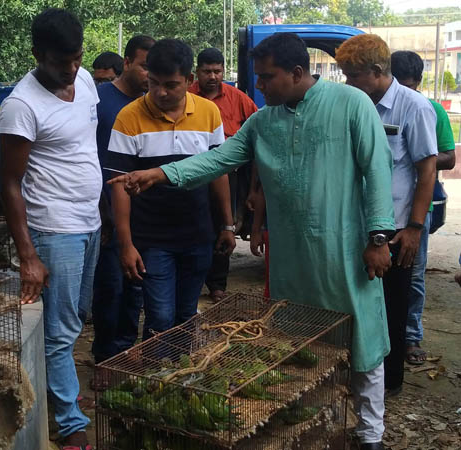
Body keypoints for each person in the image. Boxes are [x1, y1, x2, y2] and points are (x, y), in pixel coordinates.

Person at [109, 33, 395, 450]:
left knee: (362, 339)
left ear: (297, 73)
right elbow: (218, 159)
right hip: (291, 257)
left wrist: (379, 236)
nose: (258, 86)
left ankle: (370, 433)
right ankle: (311, 417)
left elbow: (378, 170)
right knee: (297, 342)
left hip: (345, 251)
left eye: (266, 77)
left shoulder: (351, 104)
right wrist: (162, 174)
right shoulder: (263, 121)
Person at [0, 9, 100, 450]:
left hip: (90, 223)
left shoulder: (87, 82)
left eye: (77, 58)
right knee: (58, 332)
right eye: (62, 61)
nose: (71, 69)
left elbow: (82, 149)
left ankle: (60, 399)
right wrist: (28, 255)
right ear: (37, 54)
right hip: (53, 229)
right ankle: (71, 426)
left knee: (75, 319)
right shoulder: (21, 105)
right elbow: (9, 183)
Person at [106, 38, 235, 342]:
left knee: (187, 312)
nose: (161, 92)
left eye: (171, 85)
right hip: (152, 239)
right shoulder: (129, 117)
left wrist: (227, 224)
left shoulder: (208, 113)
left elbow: (218, 172)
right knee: (160, 315)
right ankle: (158, 376)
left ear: (189, 81)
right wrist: (125, 244)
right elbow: (120, 186)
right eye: (153, 83)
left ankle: (180, 377)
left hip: (198, 234)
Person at [336, 35, 437, 398]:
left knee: (392, 307)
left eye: (353, 75)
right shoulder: (351, 105)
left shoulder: (414, 108)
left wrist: (414, 228)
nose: (348, 82)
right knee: (354, 301)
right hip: (355, 224)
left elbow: (426, 172)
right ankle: (354, 375)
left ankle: (389, 383)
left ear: (377, 72)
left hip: (396, 228)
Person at [91, 35, 155, 367]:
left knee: (136, 286)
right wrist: (101, 209)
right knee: (110, 288)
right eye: (145, 66)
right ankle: (105, 356)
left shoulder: (152, 104)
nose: (150, 74)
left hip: (144, 213)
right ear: (127, 62)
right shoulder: (99, 101)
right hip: (107, 211)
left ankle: (127, 352)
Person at [390, 50, 457, 365]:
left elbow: (448, 156)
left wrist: (420, 156)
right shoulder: (376, 105)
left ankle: (410, 336)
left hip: (420, 206)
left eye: (408, 86)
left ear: (417, 82)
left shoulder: (429, 109)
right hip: (387, 206)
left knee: (414, 272)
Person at [189, 47, 258, 302]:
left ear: (223, 71)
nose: (213, 76)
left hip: (229, 175)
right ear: (197, 72)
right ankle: (192, 281)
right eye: (207, 71)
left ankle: (218, 284)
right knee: (195, 224)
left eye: (217, 71)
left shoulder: (238, 99)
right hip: (193, 172)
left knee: (225, 224)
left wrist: (252, 186)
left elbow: (257, 133)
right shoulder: (185, 96)